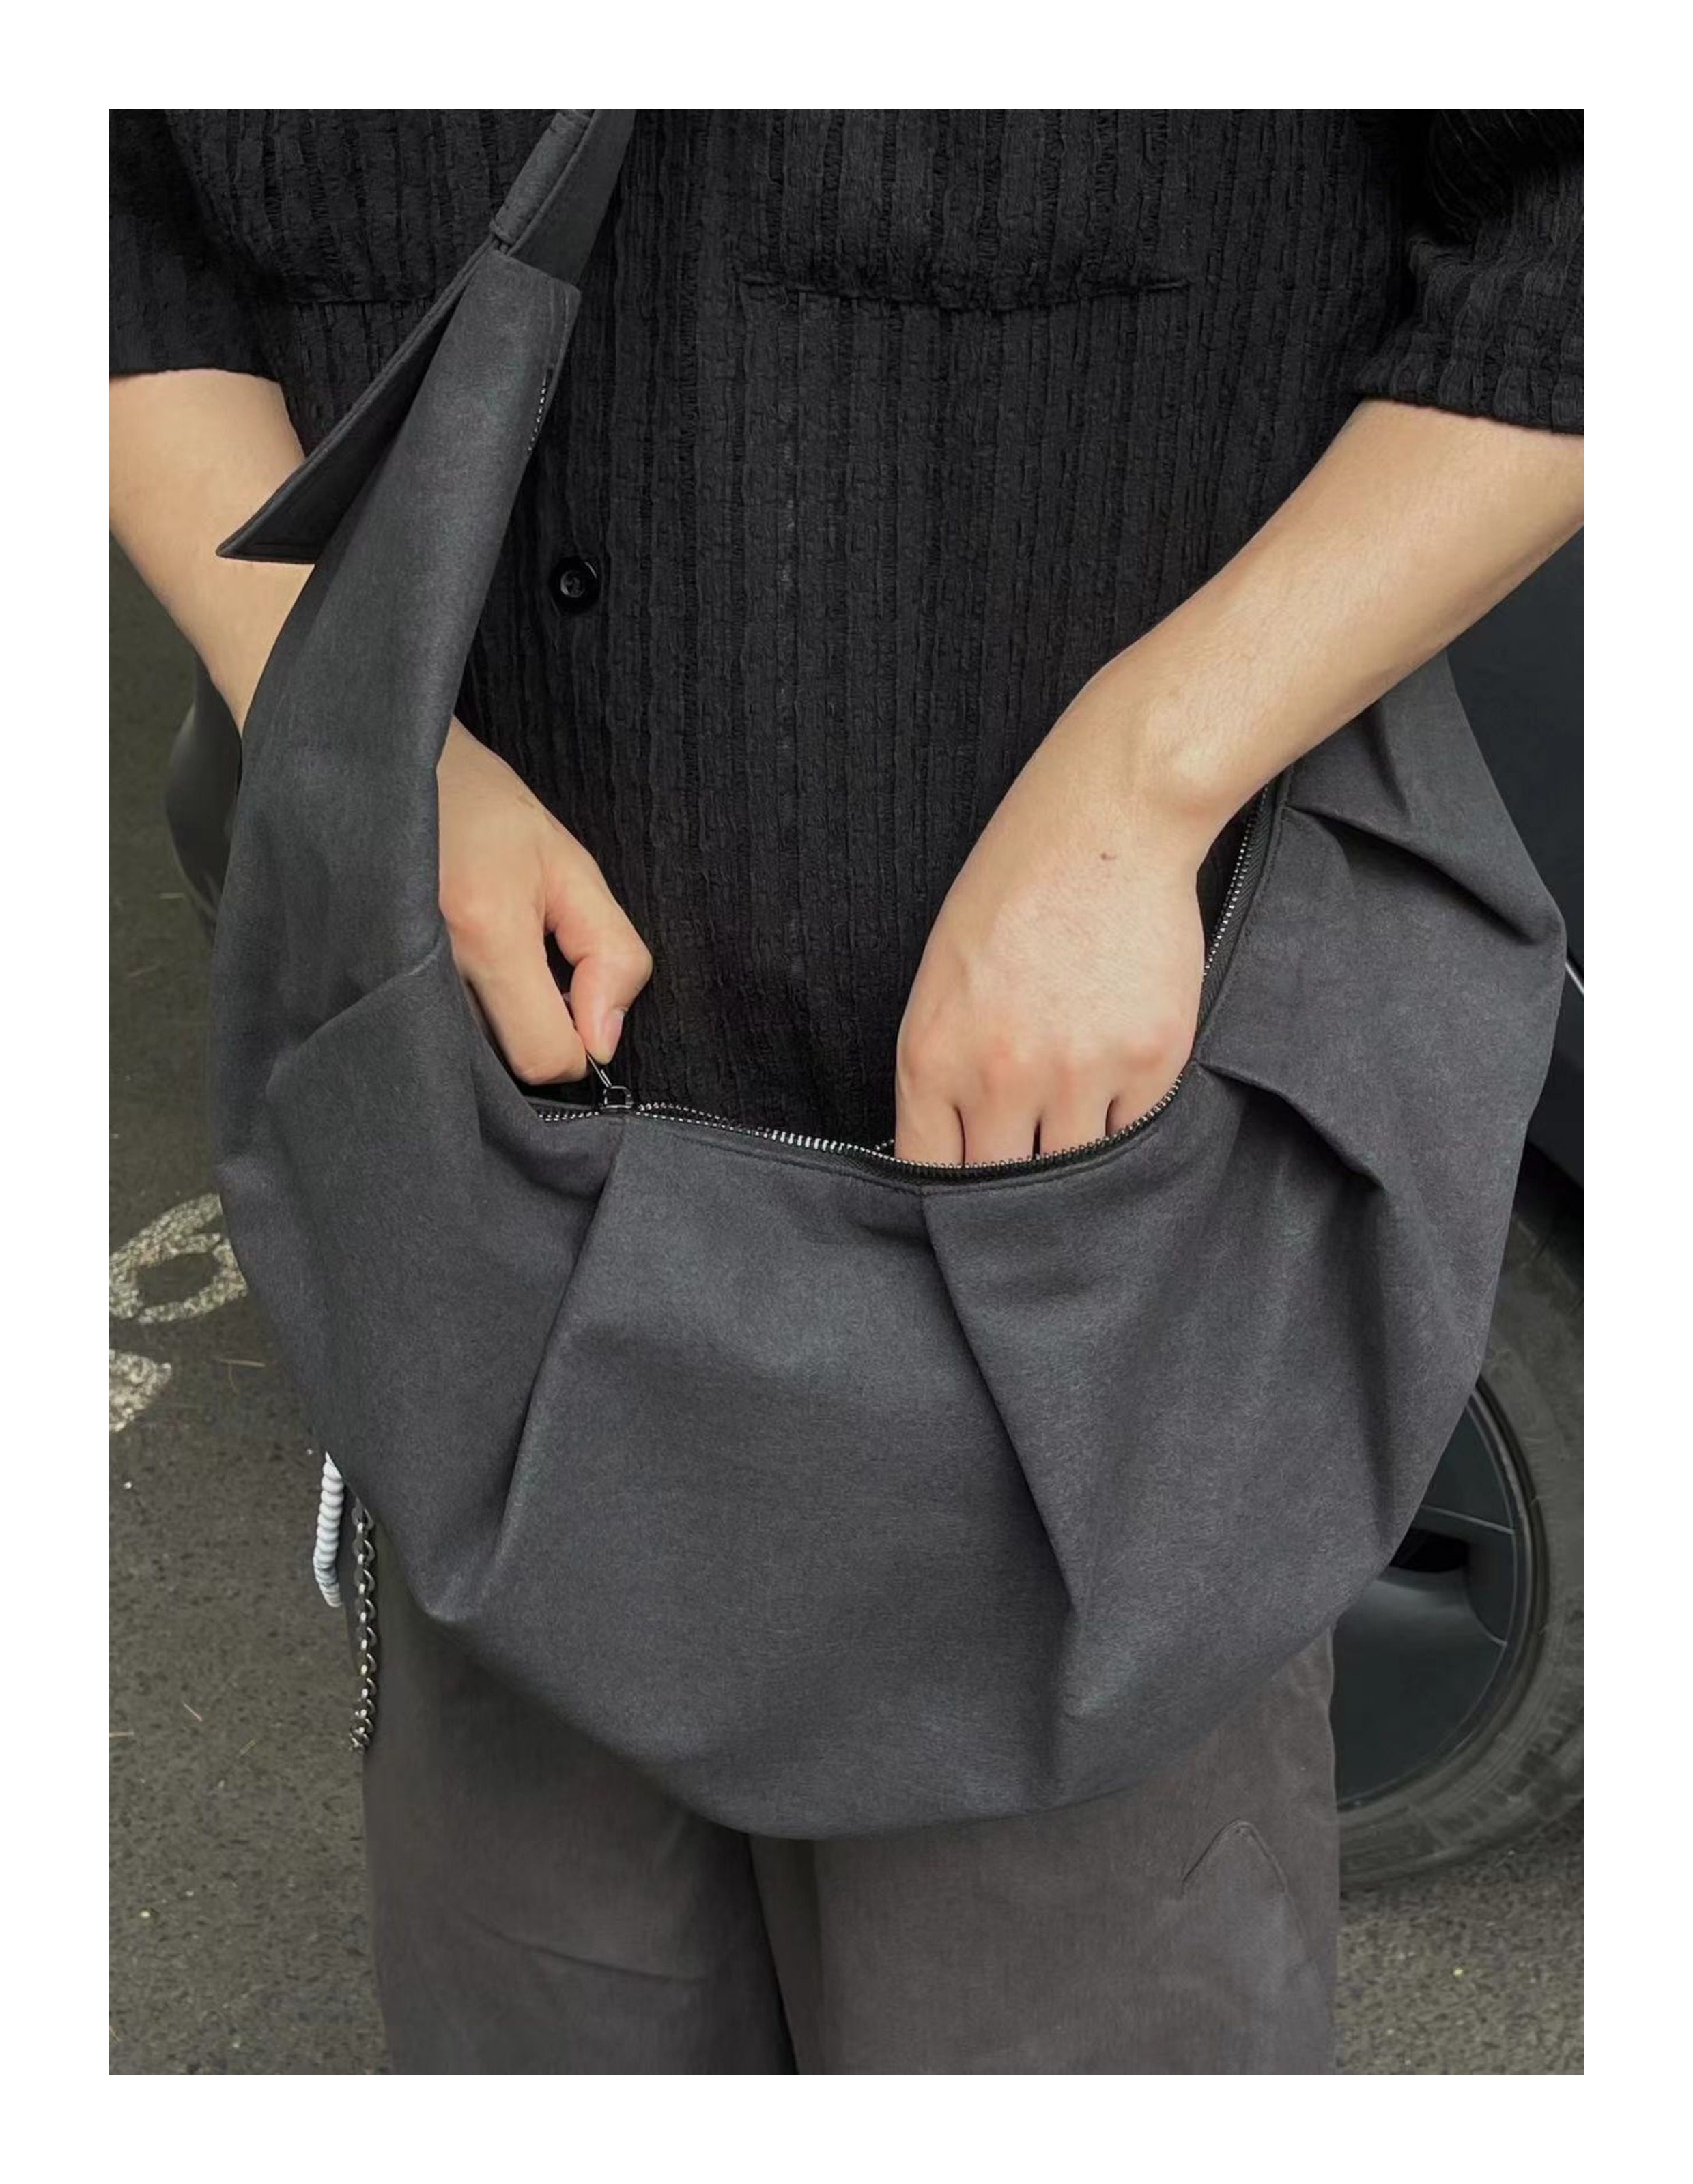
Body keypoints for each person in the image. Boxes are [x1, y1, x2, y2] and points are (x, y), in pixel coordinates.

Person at [110, 110, 1582, 2074]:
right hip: (473, 1225)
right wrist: (362, 742)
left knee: (1066, 2039)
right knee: (540, 2037)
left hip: (1108, 1259)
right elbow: (111, 226)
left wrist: (1152, 777)